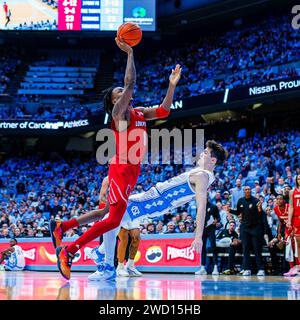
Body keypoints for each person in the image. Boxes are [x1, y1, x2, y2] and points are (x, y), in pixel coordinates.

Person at [51, 38, 182, 280]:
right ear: (114, 101)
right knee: (113, 220)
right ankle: (69, 251)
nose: (123, 93)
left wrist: (171, 85)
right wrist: (130, 53)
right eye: (118, 93)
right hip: (122, 167)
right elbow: (130, 82)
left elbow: (164, 110)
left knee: (106, 214)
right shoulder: (119, 113)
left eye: (122, 91)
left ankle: (64, 227)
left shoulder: (139, 112)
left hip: (133, 169)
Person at [51, 140, 227, 281]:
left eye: (205, 152)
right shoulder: (201, 173)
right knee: (108, 218)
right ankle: (79, 243)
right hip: (149, 201)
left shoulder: (203, 176)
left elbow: (201, 206)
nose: (201, 153)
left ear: (213, 160)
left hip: (149, 203)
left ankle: (82, 248)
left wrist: (198, 237)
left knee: (109, 220)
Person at [231, 186, 269, 276]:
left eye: (248, 189)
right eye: (245, 190)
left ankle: (261, 269)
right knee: (245, 249)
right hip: (245, 228)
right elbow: (238, 212)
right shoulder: (240, 200)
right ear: (244, 191)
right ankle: (247, 269)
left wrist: (260, 209)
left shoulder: (256, 201)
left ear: (250, 191)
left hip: (255, 228)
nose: (247, 191)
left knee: (257, 249)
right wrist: (230, 210)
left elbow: (260, 214)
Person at [195, 195, 221, 275]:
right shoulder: (199, 207)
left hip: (211, 229)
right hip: (203, 230)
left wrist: (216, 221)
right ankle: (203, 268)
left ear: (207, 197)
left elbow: (218, 218)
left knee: (213, 247)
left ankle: (215, 267)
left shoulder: (213, 206)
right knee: (202, 248)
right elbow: (198, 218)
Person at [286, 174, 300, 276]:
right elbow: (291, 207)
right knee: (298, 244)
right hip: (296, 220)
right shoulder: (292, 192)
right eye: (299, 178)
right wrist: (289, 220)